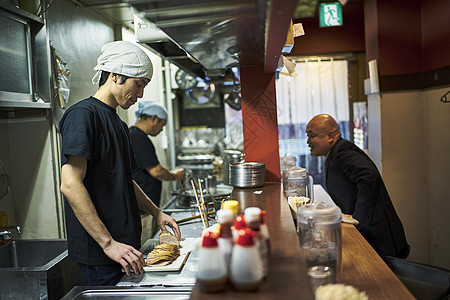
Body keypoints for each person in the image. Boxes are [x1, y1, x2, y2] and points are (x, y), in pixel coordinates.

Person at [59, 41, 181, 286]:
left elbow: (125, 180)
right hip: (102, 253)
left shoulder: (119, 124)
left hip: (124, 249)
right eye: (138, 84)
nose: (141, 94)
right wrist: (108, 243)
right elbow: (70, 185)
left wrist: (156, 212)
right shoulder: (83, 115)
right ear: (114, 75)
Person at [306, 114, 409, 258]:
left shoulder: (343, 151)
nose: (308, 141)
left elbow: (369, 177)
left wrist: (359, 218)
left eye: (311, 136)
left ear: (330, 136)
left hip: (380, 238)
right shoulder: (334, 153)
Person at [129, 101, 185, 208]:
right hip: (142, 209)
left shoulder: (135, 135)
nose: (161, 130)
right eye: (162, 125)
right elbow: (157, 172)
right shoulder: (138, 138)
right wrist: (176, 176)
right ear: (154, 119)